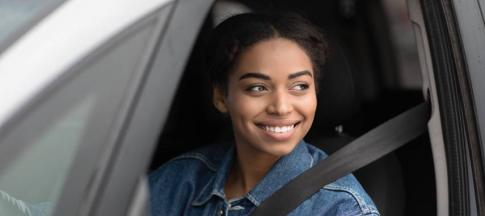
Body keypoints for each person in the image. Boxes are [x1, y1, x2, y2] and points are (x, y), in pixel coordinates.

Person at [149, 12, 380, 216]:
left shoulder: (342, 208)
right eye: (257, 88)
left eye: (299, 86)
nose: (281, 107)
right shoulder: (178, 182)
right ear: (220, 97)